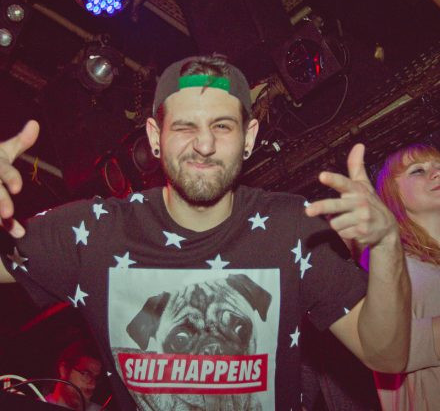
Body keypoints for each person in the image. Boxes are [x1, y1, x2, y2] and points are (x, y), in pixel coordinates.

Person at [0, 55, 410, 410]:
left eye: (222, 126)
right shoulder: (95, 232)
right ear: (155, 137)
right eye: (184, 127)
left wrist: (389, 245)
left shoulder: (293, 228)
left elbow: (387, 356)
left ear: (248, 138)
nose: (204, 144)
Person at [373, 143, 440, 410]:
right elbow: (382, 348)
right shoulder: (394, 266)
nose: (436, 173)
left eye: (438, 166)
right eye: (418, 170)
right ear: (394, 194)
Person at [46, 339, 102, 411]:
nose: (93, 386)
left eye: (96, 378)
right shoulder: (36, 407)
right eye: (86, 374)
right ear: (64, 370)